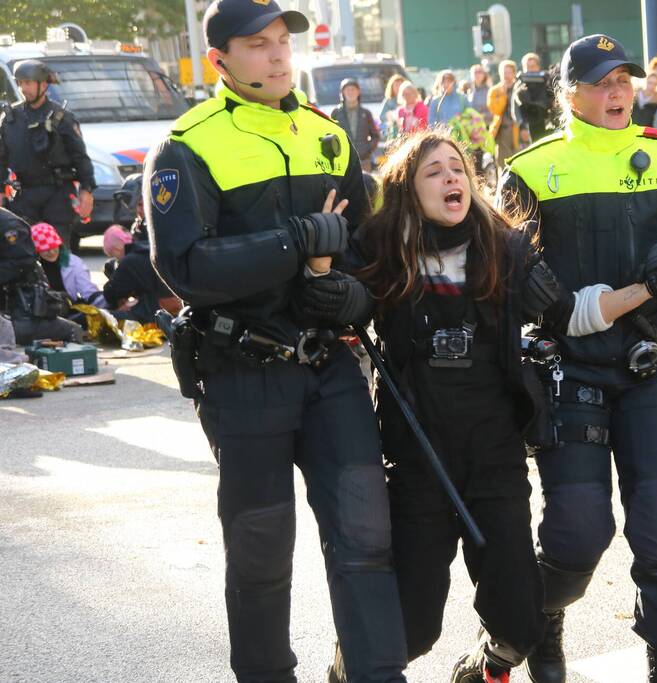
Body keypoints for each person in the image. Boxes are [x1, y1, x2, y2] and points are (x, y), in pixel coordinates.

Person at [144, 1, 409, 680]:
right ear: (219, 61)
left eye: (281, 41)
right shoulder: (185, 143)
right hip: (240, 370)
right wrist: (293, 242)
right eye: (257, 44)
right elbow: (184, 268)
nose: (276, 53)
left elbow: (367, 255)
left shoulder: (328, 135)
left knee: (366, 537)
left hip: (331, 366)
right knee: (261, 551)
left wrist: (352, 293)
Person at [499, 34, 657, 683]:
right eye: (601, 81)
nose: (616, 91)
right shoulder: (531, 167)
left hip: (654, 365)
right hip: (568, 370)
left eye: (623, 80)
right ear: (569, 92)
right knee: (576, 531)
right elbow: (507, 275)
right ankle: (540, 621)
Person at [351, 130, 560, 683]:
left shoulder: (507, 248)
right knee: (413, 629)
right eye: (434, 171)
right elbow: (336, 303)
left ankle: (486, 666)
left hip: (494, 454)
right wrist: (338, 293)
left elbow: (570, 313)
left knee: (520, 621)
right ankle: (346, 671)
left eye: (458, 169)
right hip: (418, 459)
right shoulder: (382, 252)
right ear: (407, 191)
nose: (451, 179)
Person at [0, 60, 96, 244]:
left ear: (43, 84)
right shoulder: (10, 119)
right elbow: (1, 159)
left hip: (58, 194)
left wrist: (86, 190)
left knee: (57, 253)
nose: (23, 88)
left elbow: (80, 157)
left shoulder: (62, 118)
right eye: (20, 83)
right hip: (23, 196)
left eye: (28, 83)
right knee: (23, 251)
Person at [0, 207, 82, 345]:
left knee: (14, 330)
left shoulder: (9, 224)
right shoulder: (8, 223)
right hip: (13, 301)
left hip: (22, 299)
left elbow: (22, 261)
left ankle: (67, 334)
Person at [102, 181, 181, 323]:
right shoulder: (139, 226)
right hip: (151, 287)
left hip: (168, 294)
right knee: (111, 266)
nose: (139, 210)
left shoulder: (163, 224)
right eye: (137, 205)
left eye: (141, 204)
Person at [30, 221, 106, 308]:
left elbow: (88, 291)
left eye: (54, 246)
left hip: (68, 308)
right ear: (36, 251)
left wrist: (107, 301)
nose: (51, 252)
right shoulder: (32, 267)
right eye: (45, 249)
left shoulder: (73, 263)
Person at [331, 79, 381, 172]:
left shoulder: (366, 113)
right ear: (342, 92)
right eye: (347, 90)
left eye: (353, 89)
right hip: (342, 160)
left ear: (358, 92)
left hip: (364, 161)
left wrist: (367, 150)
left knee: (364, 185)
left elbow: (376, 136)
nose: (351, 92)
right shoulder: (336, 113)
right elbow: (330, 134)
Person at [488, 60, 525, 168]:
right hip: (503, 131)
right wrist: (503, 94)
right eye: (504, 72)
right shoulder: (495, 91)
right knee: (503, 164)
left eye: (509, 72)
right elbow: (496, 110)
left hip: (518, 129)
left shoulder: (520, 88)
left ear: (514, 73)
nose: (506, 75)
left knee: (519, 161)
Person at [514, 53, 552, 142]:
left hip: (546, 123)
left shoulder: (547, 82)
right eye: (528, 66)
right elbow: (515, 108)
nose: (530, 69)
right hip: (529, 125)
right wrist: (522, 126)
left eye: (533, 66)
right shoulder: (519, 85)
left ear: (538, 67)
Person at [379, 73, 407, 140]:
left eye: (400, 85)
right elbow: (382, 116)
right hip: (392, 132)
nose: (398, 87)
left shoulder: (408, 99)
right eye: (396, 85)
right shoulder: (388, 101)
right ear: (392, 87)